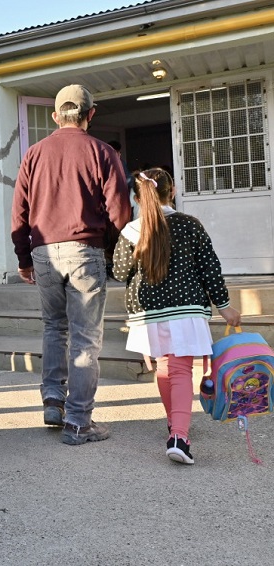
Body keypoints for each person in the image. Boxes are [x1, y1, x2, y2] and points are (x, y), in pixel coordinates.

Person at [10, 84, 131, 446]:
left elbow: (20, 212)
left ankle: (52, 402)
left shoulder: (34, 153)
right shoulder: (102, 152)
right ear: (90, 114)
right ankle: (78, 421)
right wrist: (112, 244)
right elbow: (121, 214)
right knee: (85, 338)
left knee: (53, 328)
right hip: (84, 250)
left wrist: (23, 258)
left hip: (43, 252)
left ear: (55, 116)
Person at [112, 168, 240, 464]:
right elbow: (210, 269)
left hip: (149, 311)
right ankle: (179, 436)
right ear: (172, 192)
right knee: (180, 370)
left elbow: (119, 273)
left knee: (164, 367)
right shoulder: (190, 225)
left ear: (137, 198)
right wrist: (224, 306)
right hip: (186, 310)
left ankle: (175, 423)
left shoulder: (132, 231)